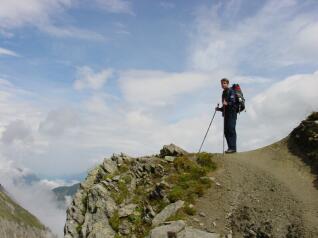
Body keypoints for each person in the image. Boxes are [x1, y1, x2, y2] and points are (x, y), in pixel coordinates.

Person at [216, 78, 237, 153]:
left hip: (232, 113)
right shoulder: (223, 93)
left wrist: (227, 104)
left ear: (227, 83)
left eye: (224, 83)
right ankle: (230, 148)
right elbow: (224, 106)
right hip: (226, 115)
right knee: (226, 131)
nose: (223, 84)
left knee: (231, 129)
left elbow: (233, 102)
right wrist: (219, 109)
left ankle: (233, 148)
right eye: (222, 83)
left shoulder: (231, 91)